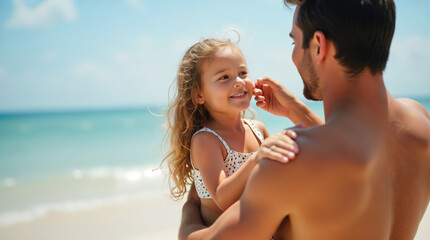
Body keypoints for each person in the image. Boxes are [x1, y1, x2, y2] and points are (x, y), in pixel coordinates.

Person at [179, 0, 430, 239]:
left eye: (294, 43)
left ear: (319, 46)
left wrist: (189, 212)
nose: (294, 56)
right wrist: (295, 110)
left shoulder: (291, 157)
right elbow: (347, 146)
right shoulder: (420, 123)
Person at [162, 38, 322, 226]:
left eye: (242, 73)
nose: (239, 81)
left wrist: (290, 110)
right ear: (199, 94)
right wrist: (257, 158)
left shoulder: (257, 129)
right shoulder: (206, 140)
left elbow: (324, 142)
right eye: (224, 77)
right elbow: (223, 199)